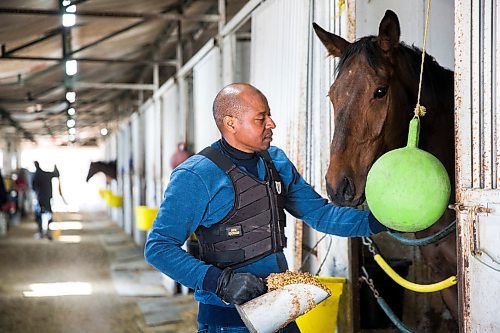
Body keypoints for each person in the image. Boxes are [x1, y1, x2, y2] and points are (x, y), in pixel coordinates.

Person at [144, 83, 387, 333]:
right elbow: (158, 247)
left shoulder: (276, 161)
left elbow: (321, 214)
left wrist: (379, 221)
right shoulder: (196, 175)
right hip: (229, 323)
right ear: (230, 123)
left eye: (269, 115)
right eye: (261, 118)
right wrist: (221, 282)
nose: (271, 123)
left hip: (281, 315)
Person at [32, 161, 61, 240]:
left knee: (39, 215)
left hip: (39, 198)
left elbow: (33, 187)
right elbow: (56, 174)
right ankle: (48, 231)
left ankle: (41, 231)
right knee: (48, 214)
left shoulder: (35, 175)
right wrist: (56, 167)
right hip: (47, 197)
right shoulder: (46, 174)